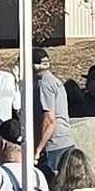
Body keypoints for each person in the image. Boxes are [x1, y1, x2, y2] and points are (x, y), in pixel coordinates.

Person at [32, 47, 76, 181]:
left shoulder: (44, 84)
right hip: (64, 142)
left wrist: (37, 150)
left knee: (51, 185)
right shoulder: (54, 81)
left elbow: (49, 120)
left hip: (54, 146)